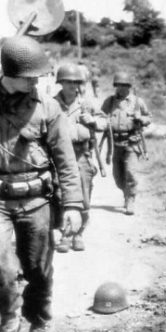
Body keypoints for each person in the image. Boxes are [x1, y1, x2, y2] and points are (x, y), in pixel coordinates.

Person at [0, 36, 83, 332]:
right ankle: (9, 319)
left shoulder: (47, 108)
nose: (36, 81)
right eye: (30, 76)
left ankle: (38, 324)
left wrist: (74, 205)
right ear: (9, 73)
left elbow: (66, 160)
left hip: (36, 199)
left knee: (38, 268)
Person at [53, 63, 106, 252]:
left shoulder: (87, 104)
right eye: (68, 82)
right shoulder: (52, 104)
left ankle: (79, 233)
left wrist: (93, 121)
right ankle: (65, 234)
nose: (73, 86)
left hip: (81, 155)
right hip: (59, 157)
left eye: (76, 82)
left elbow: (103, 121)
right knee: (60, 196)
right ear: (61, 82)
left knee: (83, 197)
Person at [100, 71, 151, 215]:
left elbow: (149, 118)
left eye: (124, 85)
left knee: (131, 172)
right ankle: (125, 192)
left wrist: (140, 118)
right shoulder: (109, 102)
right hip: (115, 143)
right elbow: (100, 116)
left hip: (132, 142)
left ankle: (130, 199)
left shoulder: (137, 102)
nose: (121, 88)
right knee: (118, 176)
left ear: (129, 86)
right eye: (118, 85)